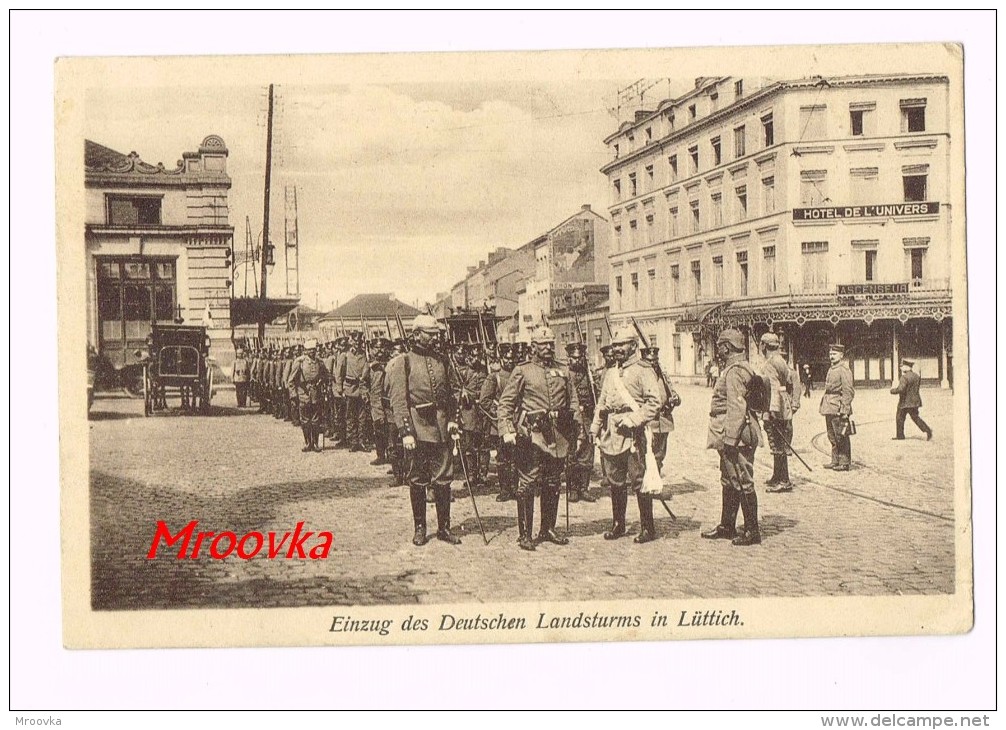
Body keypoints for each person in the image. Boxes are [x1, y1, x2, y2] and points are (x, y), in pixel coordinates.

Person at [498, 327, 581, 551]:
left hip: (558, 434)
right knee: (527, 481)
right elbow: (506, 403)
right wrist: (507, 429)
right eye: (543, 344)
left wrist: (577, 427)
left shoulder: (563, 370)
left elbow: (573, 401)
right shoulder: (522, 370)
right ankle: (525, 534)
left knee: (553, 481)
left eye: (551, 344)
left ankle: (548, 528)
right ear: (533, 346)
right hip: (532, 434)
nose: (548, 348)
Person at [385, 314, 462, 546]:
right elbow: (398, 400)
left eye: (436, 334)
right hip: (418, 427)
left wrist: (452, 419)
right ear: (416, 334)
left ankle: (444, 528)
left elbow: (454, 391)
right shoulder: (404, 361)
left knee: (443, 479)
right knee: (418, 478)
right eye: (430, 334)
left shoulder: (443, 360)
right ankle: (420, 528)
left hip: (441, 427)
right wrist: (406, 431)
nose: (435, 338)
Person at [590, 328, 665, 544]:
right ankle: (618, 524)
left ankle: (647, 527)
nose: (617, 349)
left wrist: (634, 419)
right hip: (611, 434)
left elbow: (654, 403)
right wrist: (595, 429)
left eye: (622, 345)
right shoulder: (611, 372)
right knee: (615, 480)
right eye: (615, 345)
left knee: (639, 480)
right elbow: (602, 404)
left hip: (633, 434)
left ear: (633, 346)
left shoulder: (644, 370)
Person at [701, 328, 763, 546]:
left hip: (736, 435)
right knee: (729, 479)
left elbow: (736, 407)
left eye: (720, 346)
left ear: (727, 347)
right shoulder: (738, 367)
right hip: (731, 432)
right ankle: (727, 526)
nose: (719, 349)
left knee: (742, 479)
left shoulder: (735, 371)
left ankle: (752, 531)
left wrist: (730, 440)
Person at [760, 333, 799, 492]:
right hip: (784, 406)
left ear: (763, 345)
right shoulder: (781, 360)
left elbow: (774, 388)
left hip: (775, 409)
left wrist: (772, 412)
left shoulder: (770, 363)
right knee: (778, 443)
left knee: (778, 443)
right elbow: (790, 381)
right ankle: (777, 475)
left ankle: (784, 480)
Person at [479, 343, 517, 502]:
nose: (510, 362)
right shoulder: (494, 377)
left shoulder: (518, 375)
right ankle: (505, 489)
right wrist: (500, 414)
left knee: (517, 457)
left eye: (512, 359)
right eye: (506, 359)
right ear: (501, 359)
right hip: (500, 423)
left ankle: (516, 488)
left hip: (518, 421)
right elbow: (485, 401)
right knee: (502, 458)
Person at [564, 342, 598, 504]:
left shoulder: (589, 374)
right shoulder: (565, 375)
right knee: (572, 455)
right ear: (568, 358)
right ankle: (573, 489)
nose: (577, 361)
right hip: (572, 420)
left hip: (589, 418)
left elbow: (596, 395)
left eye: (580, 358)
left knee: (588, 454)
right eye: (574, 358)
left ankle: (584, 488)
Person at [286, 339, 330, 453]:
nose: (312, 352)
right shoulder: (299, 362)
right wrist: (293, 395)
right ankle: (308, 443)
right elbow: (291, 381)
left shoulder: (319, 362)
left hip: (316, 394)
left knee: (316, 419)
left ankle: (315, 443)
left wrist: (323, 382)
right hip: (303, 393)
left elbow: (326, 375)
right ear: (305, 351)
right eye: (309, 350)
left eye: (313, 350)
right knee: (305, 420)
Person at [640, 345, 679, 475]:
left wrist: (675, 399)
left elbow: (673, 393)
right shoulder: (640, 377)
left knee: (660, 454)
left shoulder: (663, 376)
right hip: (649, 422)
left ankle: (655, 483)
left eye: (655, 361)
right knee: (647, 454)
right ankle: (646, 485)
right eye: (650, 361)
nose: (653, 364)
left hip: (664, 420)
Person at [820, 343, 855, 471]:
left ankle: (844, 462)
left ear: (841, 355)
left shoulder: (844, 369)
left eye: (834, 354)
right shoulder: (832, 368)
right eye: (830, 354)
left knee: (841, 435)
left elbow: (848, 391)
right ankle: (835, 460)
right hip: (829, 406)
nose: (831, 356)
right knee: (832, 435)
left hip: (838, 408)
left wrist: (845, 410)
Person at [891, 358, 932, 440]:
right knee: (915, 417)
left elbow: (901, 389)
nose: (901, 368)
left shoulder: (904, 377)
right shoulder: (916, 376)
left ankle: (900, 436)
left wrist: (892, 390)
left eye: (902, 366)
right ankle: (928, 430)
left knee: (899, 417)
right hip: (915, 401)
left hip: (904, 402)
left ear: (907, 367)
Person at [343, 334, 369, 452]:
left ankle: (362, 441)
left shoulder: (364, 354)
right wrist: (340, 389)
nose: (357, 343)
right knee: (350, 416)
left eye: (359, 341)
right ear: (351, 341)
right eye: (355, 341)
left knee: (362, 417)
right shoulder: (346, 355)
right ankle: (353, 442)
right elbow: (339, 372)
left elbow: (366, 368)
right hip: (349, 388)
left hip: (361, 388)